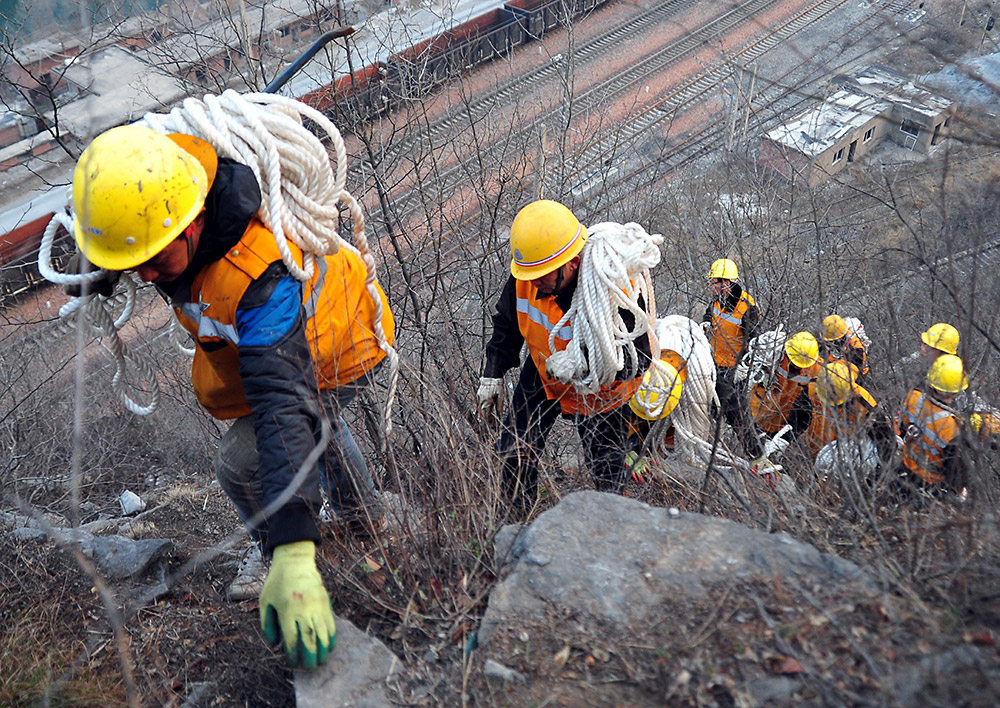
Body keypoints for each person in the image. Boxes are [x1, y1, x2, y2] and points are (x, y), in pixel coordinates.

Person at [69, 125, 395, 668]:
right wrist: (110, 266)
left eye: (154, 260)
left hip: (337, 345)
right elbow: (142, 233)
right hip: (309, 340)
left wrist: (292, 549)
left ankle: (289, 556)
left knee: (242, 461)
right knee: (325, 429)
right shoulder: (172, 195)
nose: (146, 276)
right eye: (135, 263)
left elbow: (280, 401)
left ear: (196, 221)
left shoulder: (258, 273)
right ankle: (368, 522)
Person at [477, 200, 650, 515]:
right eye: (530, 274)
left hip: (602, 396)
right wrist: (492, 373)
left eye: (542, 274)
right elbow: (506, 325)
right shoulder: (528, 277)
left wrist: (583, 362)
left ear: (572, 262)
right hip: (544, 375)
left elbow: (642, 356)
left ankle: (610, 529)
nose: (533, 282)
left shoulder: (614, 289)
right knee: (514, 453)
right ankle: (518, 521)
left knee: (607, 476)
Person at [702, 258, 773, 472]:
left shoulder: (747, 307)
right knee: (713, 411)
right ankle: (714, 446)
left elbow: (752, 341)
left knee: (736, 409)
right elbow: (709, 314)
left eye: (714, 281)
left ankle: (753, 453)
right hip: (714, 363)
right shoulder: (717, 301)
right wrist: (705, 323)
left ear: (726, 283)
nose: (710, 286)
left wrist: (742, 367)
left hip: (735, 370)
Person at [896, 354, 970, 497]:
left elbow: (903, 427)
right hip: (930, 488)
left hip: (904, 470)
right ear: (955, 392)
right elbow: (954, 472)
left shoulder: (913, 397)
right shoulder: (953, 428)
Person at [804, 360, 894, 461]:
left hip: (846, 463)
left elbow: (885, 442)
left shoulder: (865, 406)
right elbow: (801, 415)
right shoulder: (815, 388)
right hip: (816, 454)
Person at [749, 331, 820, 440]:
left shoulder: (816, 372)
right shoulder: (771, 356)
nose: (797, 367)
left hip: (782, 422)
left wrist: (787, 438)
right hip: (756, 417)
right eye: (794, 362)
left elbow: (806, 411)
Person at [821, 314, 870, 386]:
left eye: (832, 340)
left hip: (856, 376)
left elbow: (852, 370)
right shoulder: (838, 337)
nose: (830, 342)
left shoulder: (856, 348)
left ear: (839, 338)